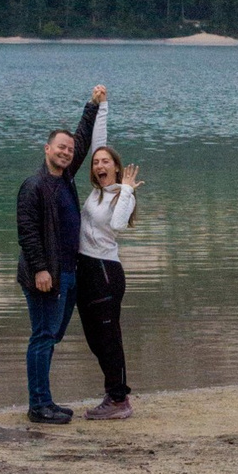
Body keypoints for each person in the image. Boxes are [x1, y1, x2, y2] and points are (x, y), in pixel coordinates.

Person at [15, 84, 104, 425]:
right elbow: (27, 232)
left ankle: (45, 400)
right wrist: (40, 270)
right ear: (47, 149)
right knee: (42, 336)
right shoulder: (34, 185)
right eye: (60, 148)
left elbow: (81, 139)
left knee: (52, 336)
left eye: (69, 149)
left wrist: (92, 106)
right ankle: (38, 405)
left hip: (68, 272)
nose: (66, 152)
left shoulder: (66, 178)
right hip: (46, 274)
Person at [72, 118, 141, 420]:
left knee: (109, 337)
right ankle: (113, 392)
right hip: (86, 269)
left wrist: (126, 191)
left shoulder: (120, 195)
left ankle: (118, 399)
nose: (100, 164)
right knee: (94, 338)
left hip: (104, 271)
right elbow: (98, 143)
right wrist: (101, 105)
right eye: (96, 162)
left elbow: (118, 224)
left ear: (116, 168)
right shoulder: (99, 191)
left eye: (106, 162)